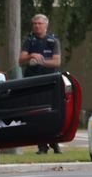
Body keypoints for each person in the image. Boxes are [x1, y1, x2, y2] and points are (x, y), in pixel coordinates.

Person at [19, 13, 62, 154]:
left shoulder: (53, 41)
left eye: (40, 23)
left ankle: (55, 143)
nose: (37, 26)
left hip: (50, 82)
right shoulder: (29, 41)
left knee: (52, 113)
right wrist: (31, 56)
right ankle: (42, 146)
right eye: (35, 23)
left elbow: (56, 62)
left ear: (46, 25)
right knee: (37, 114)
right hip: (33, 83)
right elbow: (20, 61)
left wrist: (42, 61)